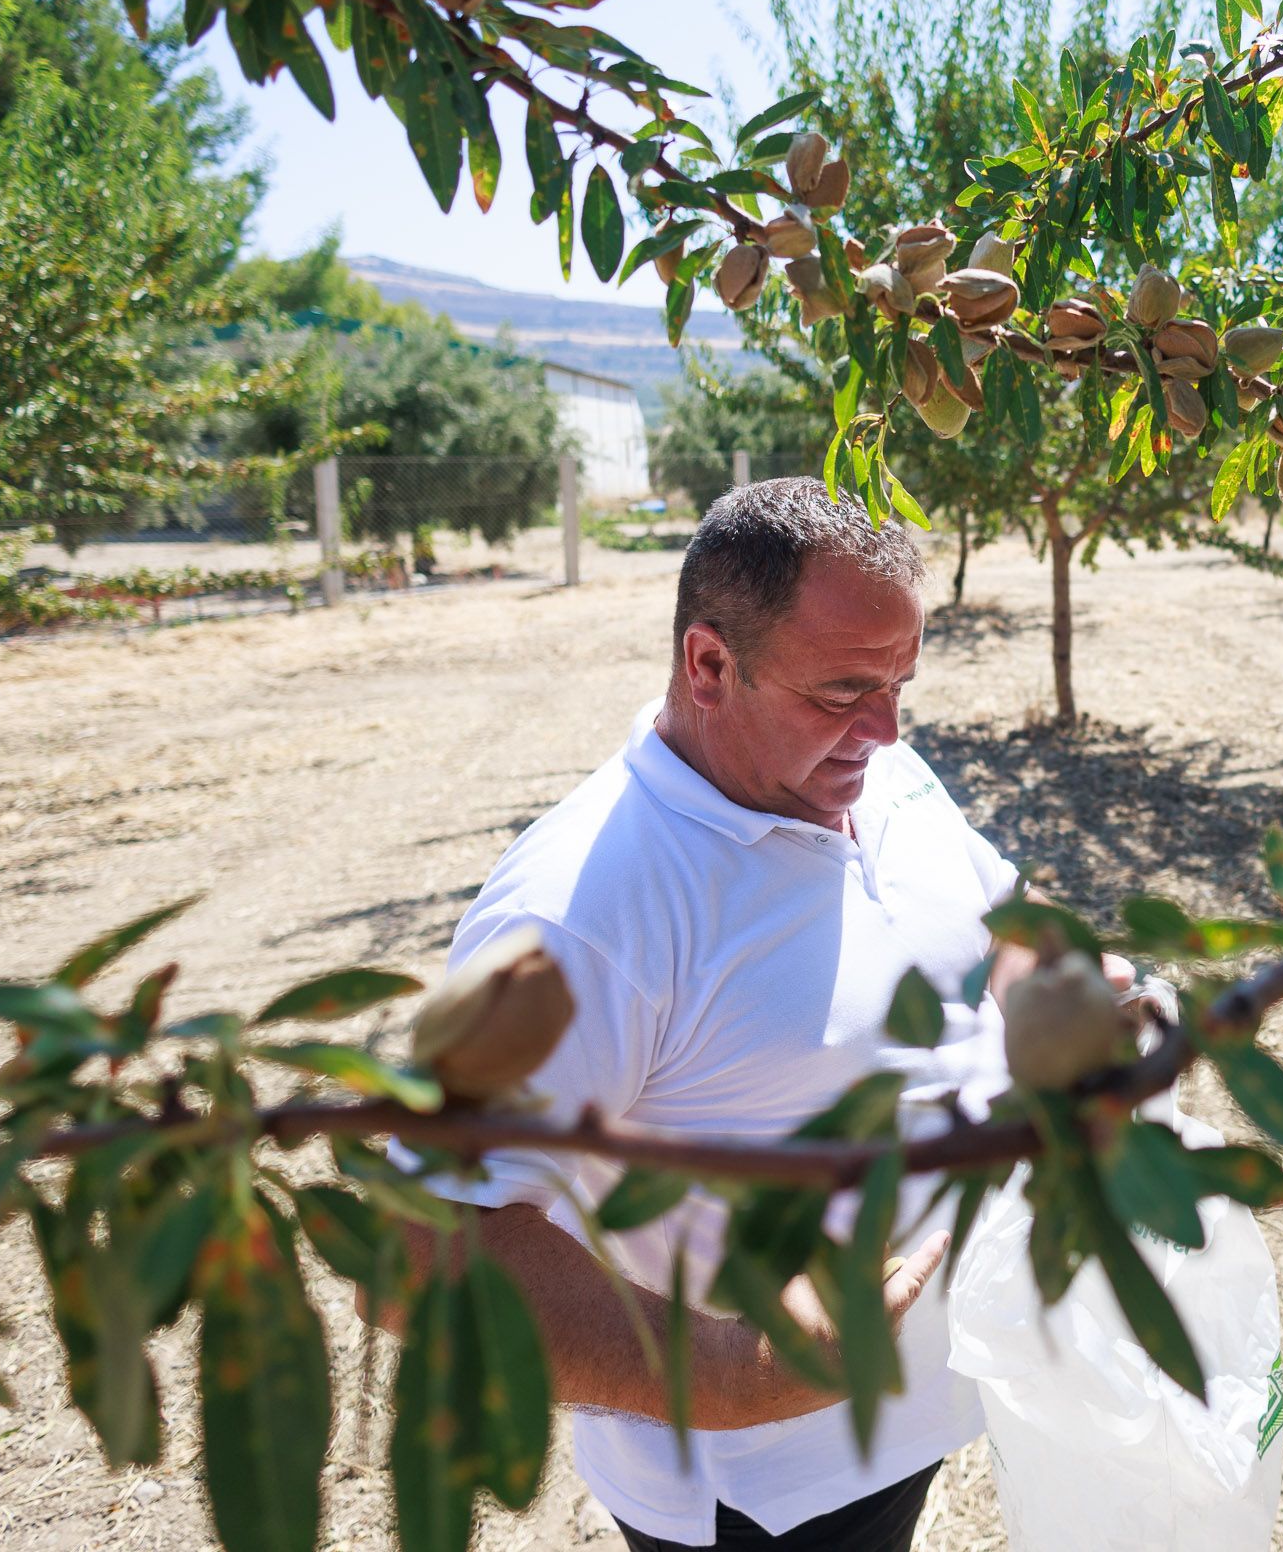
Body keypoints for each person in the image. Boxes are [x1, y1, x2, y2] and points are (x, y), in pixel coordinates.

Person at [408, 478, 1107, 1550]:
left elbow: (1003, 921)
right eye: (840, 691)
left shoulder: (880, 773)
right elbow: (433, 1242)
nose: (885, 727)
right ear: (709, 665)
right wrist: (736, 1376)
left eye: (900, 682)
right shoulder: (579, 915)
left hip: (919, 1411)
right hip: (763, 1493)